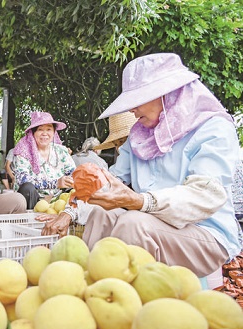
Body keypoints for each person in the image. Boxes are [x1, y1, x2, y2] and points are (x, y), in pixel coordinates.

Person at [43, 53, 240, 279]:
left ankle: (123, 301)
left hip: (206, 233)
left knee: (133, 224)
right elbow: (106, 183)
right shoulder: (139, 137)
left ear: (166, 95)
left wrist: (141, 202)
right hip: (153, 222)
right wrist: (69, 212)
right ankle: (93, 287)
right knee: (100, 214)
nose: (131, 110)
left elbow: (206, 195)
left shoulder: (214, 129)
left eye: (137, 100)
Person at [12, 111, 75, 209]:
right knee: (27, 188)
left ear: (54, 132)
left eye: (49, 129)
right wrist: (56, 183)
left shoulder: (61, 151)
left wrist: (70, 180)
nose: (45, 133)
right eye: (40, 129)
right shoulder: (23, 151)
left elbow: (73, 173)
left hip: (58, 199)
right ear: (33, 133)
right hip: (33, 200)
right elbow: (22, 180)